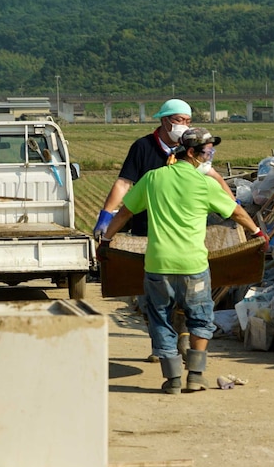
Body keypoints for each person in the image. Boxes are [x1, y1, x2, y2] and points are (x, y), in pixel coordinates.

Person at [100, 127, 268, 394]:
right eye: (207, 152)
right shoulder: (204, 184)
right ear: (191, 153)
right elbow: (235, 212)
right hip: (194, 267)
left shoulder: (153, 179)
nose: (209, 157)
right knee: (200, 318)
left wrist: (107, 239)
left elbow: (124, 213)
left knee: (160, 319)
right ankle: (195, 376)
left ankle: (173, 380)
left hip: (158, 266)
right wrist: (258, 233)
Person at [93, 98, 235, 362]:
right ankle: (163, 347)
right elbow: (124, 184)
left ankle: (178, 338)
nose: (184, 126)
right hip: (148, 231)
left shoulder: (190, 146)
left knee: (186, 293)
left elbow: (214, 176)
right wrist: (105, 217)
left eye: (188, 121)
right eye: (180, 120)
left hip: (188, 232)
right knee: (151, 297)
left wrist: (232, 205)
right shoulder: (143, 148)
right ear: (164, 120)